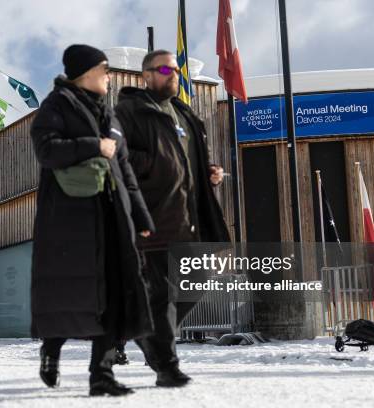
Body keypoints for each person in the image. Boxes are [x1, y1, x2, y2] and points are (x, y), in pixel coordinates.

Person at [30, 44, 156, 397]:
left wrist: (141, 215)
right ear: (86, 72)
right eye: (105, 70)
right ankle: (50, 350)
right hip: (69, 222)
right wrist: (92, 145)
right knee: (67, 293)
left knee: (114, 292)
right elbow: (46, 150)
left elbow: (125, 169)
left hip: (112, 218)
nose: (109, 76)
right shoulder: (56, 106)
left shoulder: (110, 116)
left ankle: (100, 375)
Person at [115, 49, 231, 387]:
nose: (173, 74)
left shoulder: (184, 113)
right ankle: (167, 367)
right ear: (146, 75)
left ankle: (144, 329)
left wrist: (207, 172)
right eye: (165, 68)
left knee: (197, 281)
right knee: (163, 293)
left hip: (190, 215)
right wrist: (155, 164)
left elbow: (188, 160)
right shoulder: (129, 111)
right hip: (153, 214)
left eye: (176, 69)